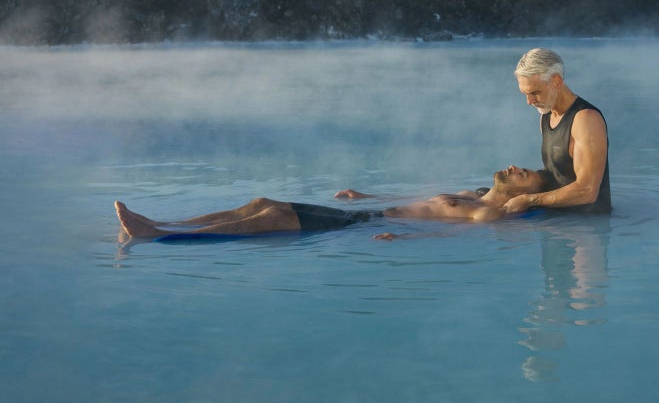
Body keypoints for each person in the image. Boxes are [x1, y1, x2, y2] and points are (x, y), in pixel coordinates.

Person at [114, 165, 547, 241]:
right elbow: (420, 201)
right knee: (262, 200)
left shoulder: (486, 212)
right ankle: (163, 221)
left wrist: (405, 238)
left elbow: (448, 233)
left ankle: (159, 235)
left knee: (275, 216)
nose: (513, 167)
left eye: (522, 173)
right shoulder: (472, 193)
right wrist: (368, 195)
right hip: (364, 211)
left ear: (521, 191)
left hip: (357, 226)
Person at [501, 47, 611, 215]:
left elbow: (588, 191)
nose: (529, 101)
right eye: (525, 94)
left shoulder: (586, 119)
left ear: (556, 82)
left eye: (535, 93)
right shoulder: (546, 115)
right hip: (556, 221)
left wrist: (529, 200)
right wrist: (517, 181)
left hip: (586, 229)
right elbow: (557, 174)